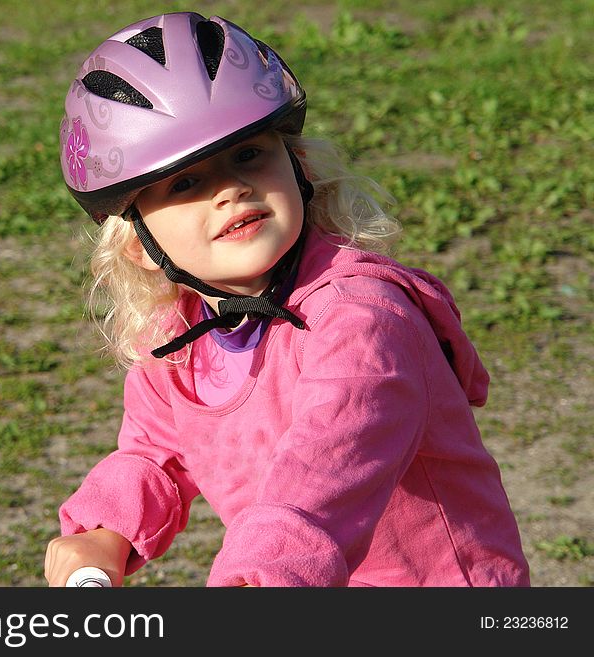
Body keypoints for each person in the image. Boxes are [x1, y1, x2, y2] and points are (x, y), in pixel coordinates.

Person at [44, 11, 530, 587]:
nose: (231, 189)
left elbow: (326, 470)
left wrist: (261, 574)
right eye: (185, 183)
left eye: (248, 155)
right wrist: (106, 532)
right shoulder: (181, 338)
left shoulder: (362, 321)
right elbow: (157, 454)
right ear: (140, 246)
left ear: (298, 167)